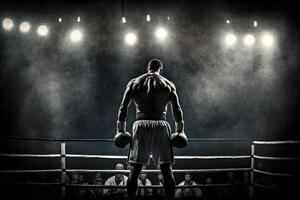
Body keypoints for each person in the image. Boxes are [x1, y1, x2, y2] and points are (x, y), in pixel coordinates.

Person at [114, 58, 187, 199]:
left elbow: (123, 107)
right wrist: (180, 130)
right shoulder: (167, 84)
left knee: (134, 171)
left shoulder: (135, 83)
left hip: (141, 124)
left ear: (148, 68)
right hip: (161, 123)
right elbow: (177, 108)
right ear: (160, 69)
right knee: (167, 171)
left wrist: (120, 130)